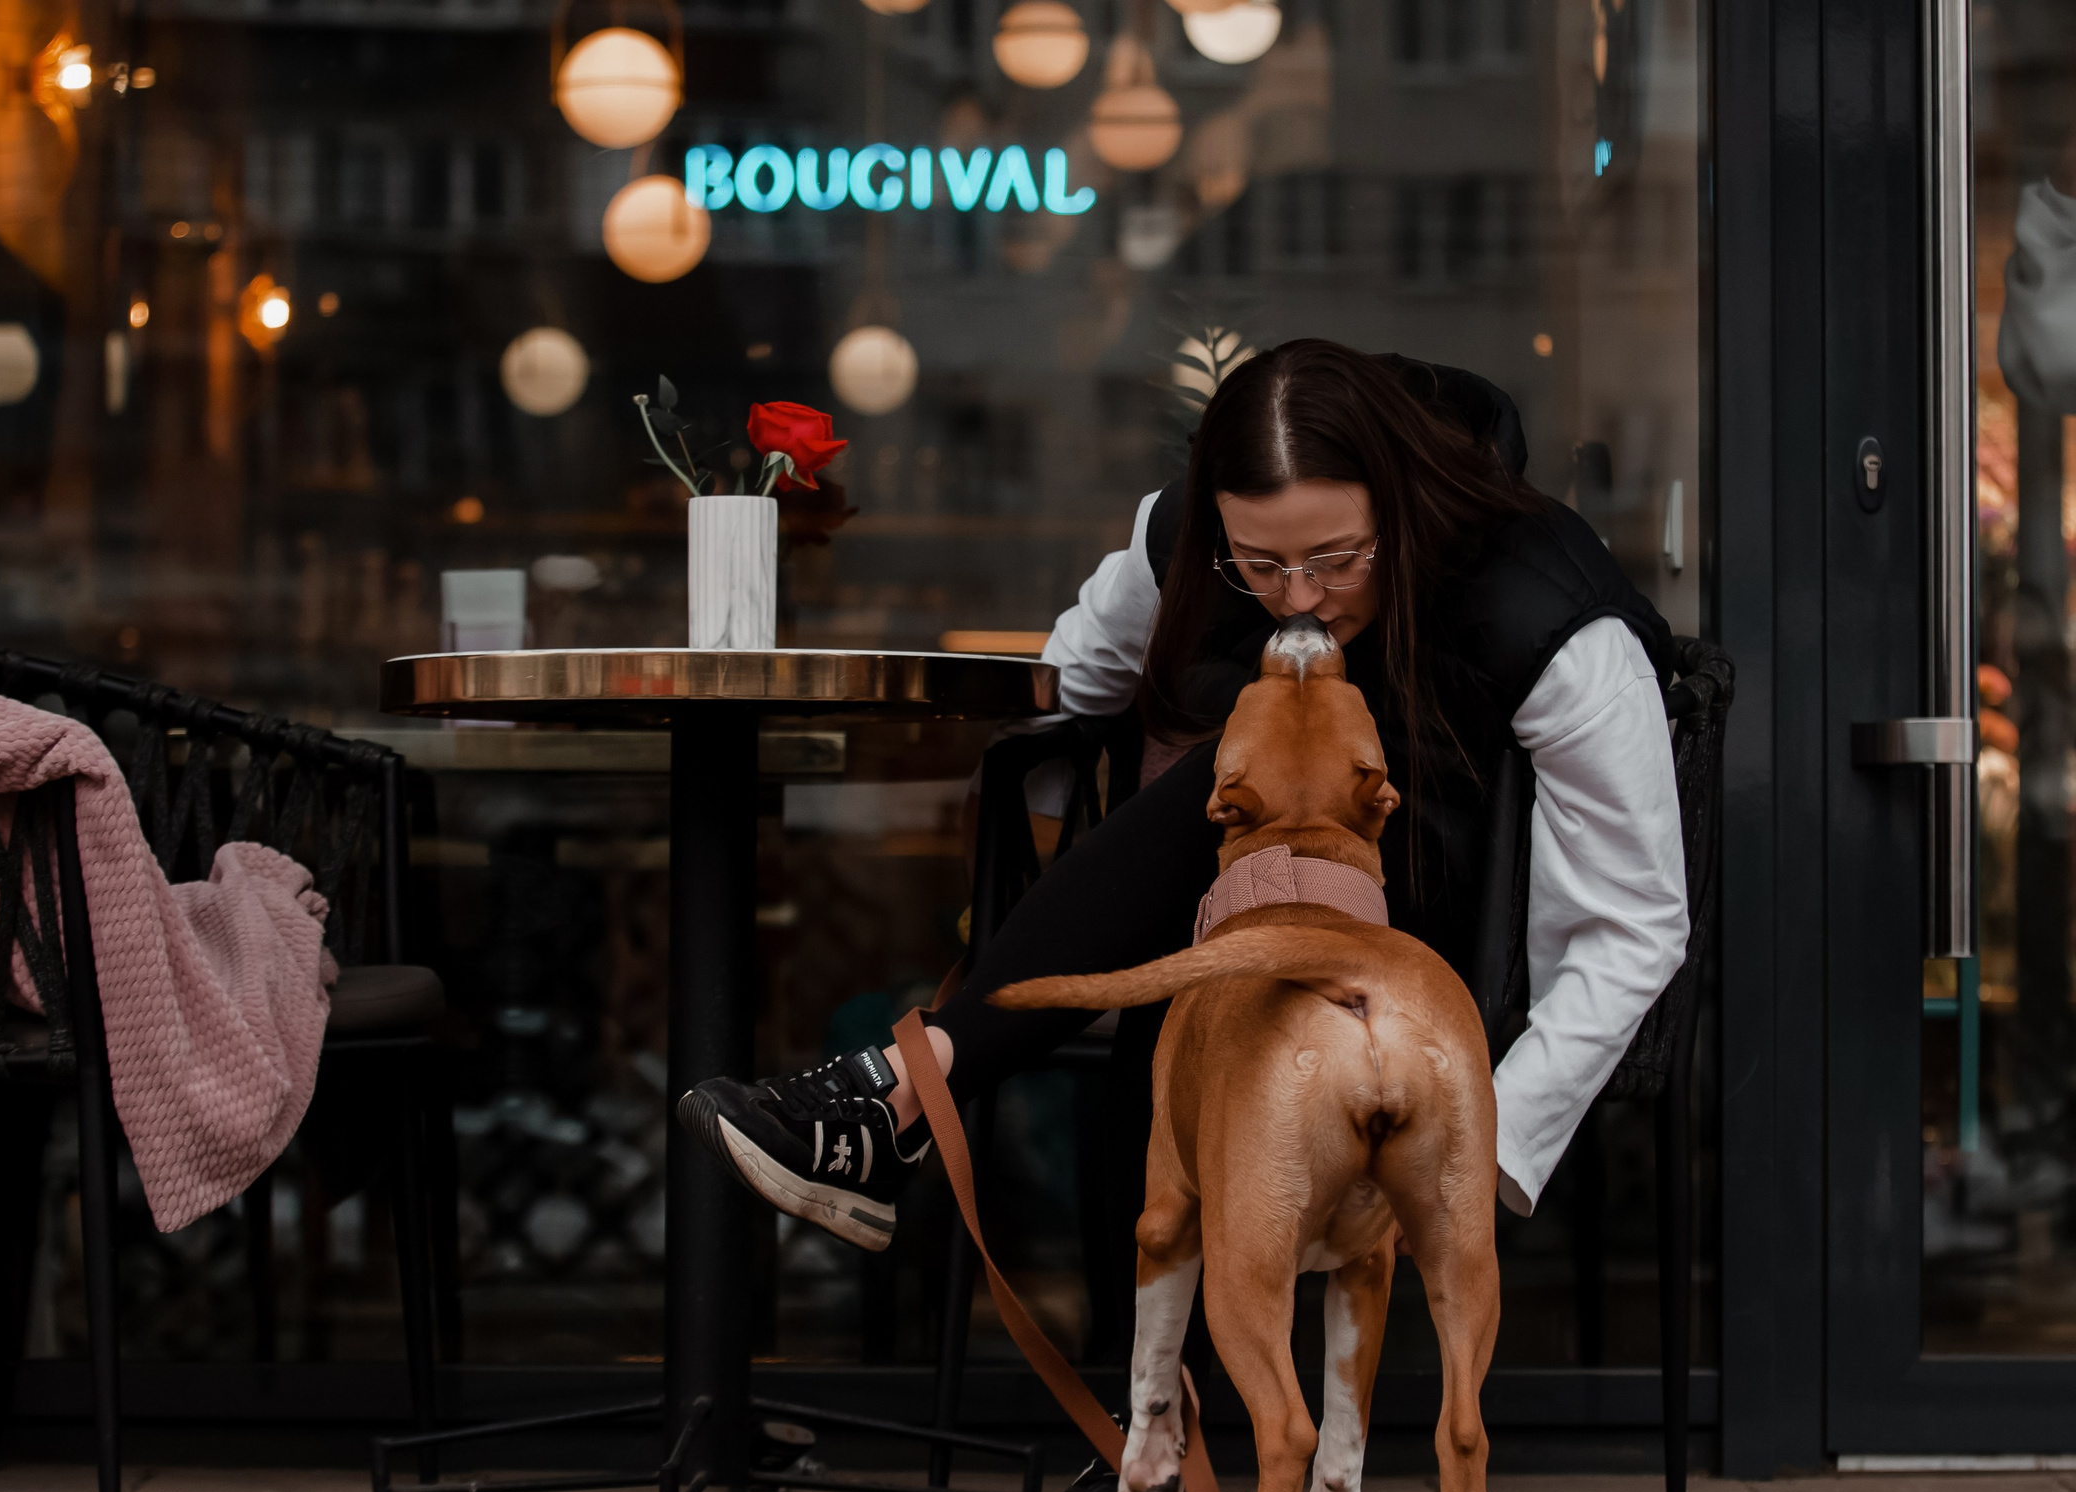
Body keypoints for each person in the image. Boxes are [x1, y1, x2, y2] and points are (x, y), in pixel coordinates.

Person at [678, 338, 1688, 1257]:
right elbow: (1073, 682)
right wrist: (1016, 793)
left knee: (1237, 816)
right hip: (1228, 921)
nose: (1297, 597)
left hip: (1453, 939)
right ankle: (1151, 1442)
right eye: (1259, 565)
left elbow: (1632, 922)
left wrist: (1482, 1149)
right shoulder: (1182, 537)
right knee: (1194, 987)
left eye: (1337, 560)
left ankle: (897, 1102)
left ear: (1401, 504)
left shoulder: (1549, 612)